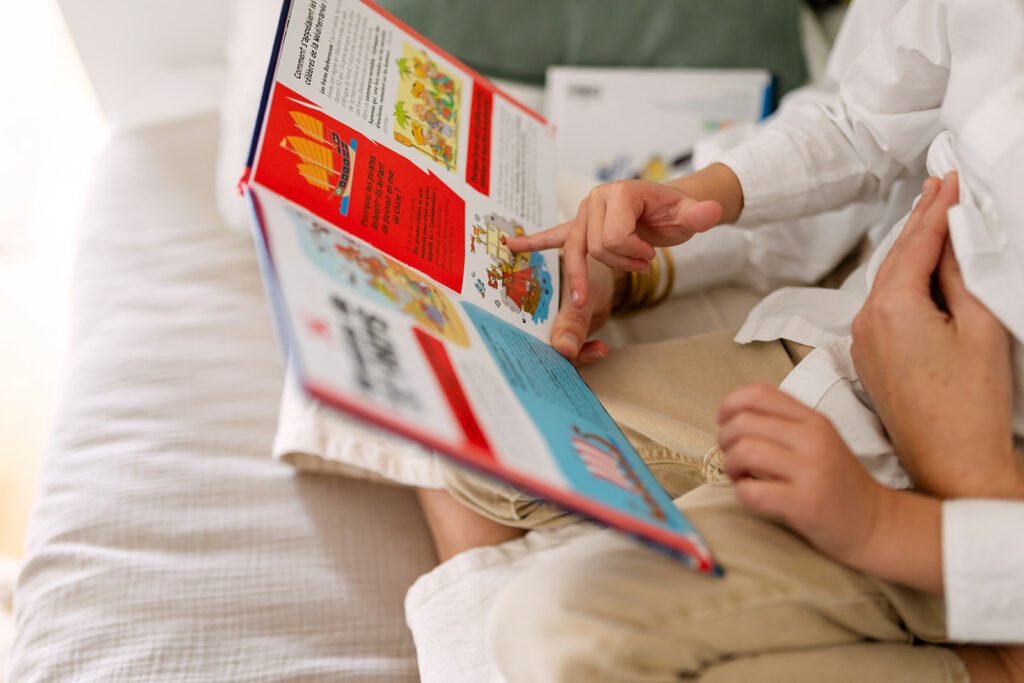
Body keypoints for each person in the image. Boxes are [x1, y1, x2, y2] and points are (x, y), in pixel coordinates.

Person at [472, 0, 1024, 677]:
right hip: (843, 361)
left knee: (563, 633)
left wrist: (887, 523)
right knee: (483, 415)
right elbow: (863, 118)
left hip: (954, 493)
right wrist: (694, 203)